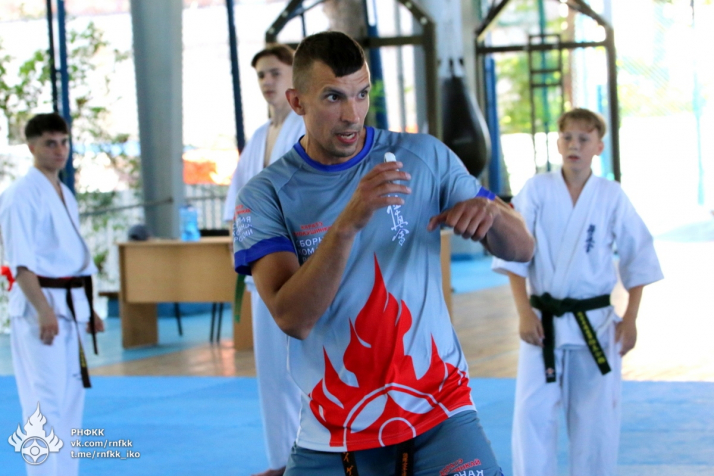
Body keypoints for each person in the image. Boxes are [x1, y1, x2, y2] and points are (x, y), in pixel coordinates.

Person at [232, 31, 534, 475]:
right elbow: (293, 318)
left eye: (362, 94)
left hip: (439, 409)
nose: (352, 114)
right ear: (297, 102)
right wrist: (348, 223)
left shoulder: (422, 155)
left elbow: (523, 248)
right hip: (334, 427)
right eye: (333, 97)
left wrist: (491, 214)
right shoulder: (267, 193)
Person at [492, 108, 663, 476]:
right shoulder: (537, 189)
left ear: (598, 147)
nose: (574, 145)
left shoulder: (611, 195)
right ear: (558, 144)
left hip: (596, 324)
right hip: (543, 322)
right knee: (532, 416)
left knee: (596, 419)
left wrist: (631, 319)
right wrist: (523, 312)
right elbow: (514, 252)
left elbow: (639, 256)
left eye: (584, 139)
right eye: (567, 137)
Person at [0, 112, 104, 476]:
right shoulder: (19, 196)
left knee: (71, 401)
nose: (60, 150)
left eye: (64, 142)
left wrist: (89, 309)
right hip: (39, 308)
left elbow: (72, 259)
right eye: (50, 143)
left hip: (71, 306)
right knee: (44, 404)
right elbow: (20, 263)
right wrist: (43, 310)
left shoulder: (64, 193)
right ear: (31, 147)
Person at [222, 44, 305, 476]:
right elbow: (236, 203)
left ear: (295, 76)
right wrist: (236, 245)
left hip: (303, 266)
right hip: (262, 271)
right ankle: (281, 462)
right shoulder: (257, 138)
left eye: (275, 73)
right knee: (271, 372)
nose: (267, 82)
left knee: (306, 369)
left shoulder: (307, 128)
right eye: (261, 76)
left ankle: (315, 459)